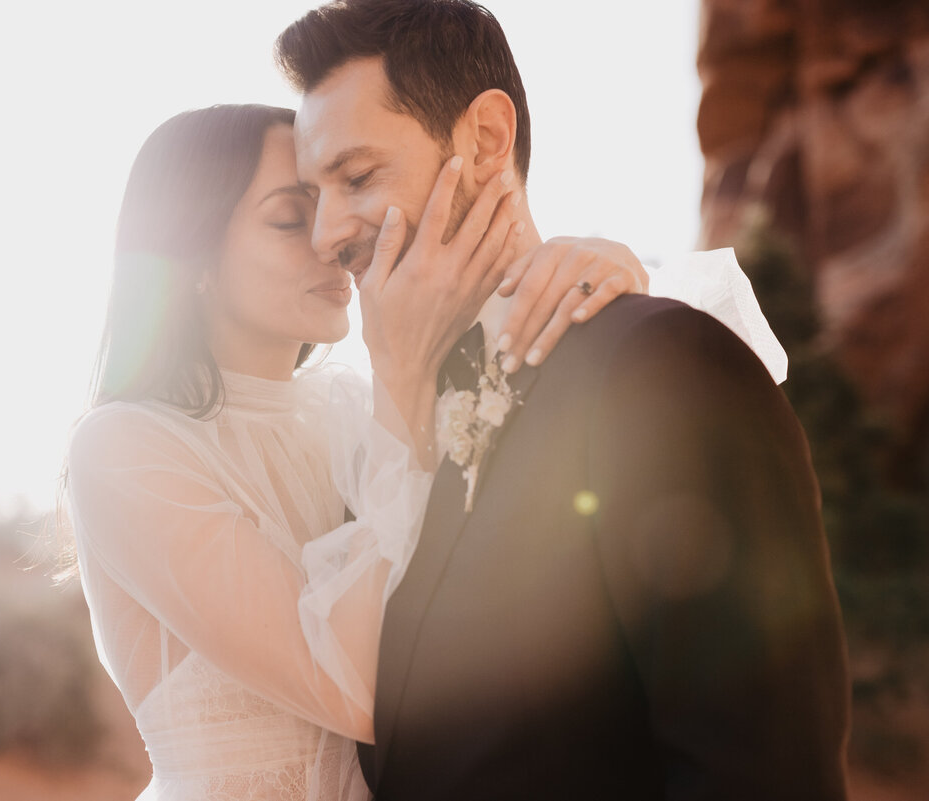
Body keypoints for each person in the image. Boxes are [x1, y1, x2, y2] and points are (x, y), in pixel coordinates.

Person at [63, 104, 776, 800]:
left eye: (339, 203)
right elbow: (360, 687)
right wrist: (401, 375)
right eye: (290, 216)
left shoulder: (349, 412)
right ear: (190, 255)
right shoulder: (124, 448)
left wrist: (595, 270)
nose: (332, 239)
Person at [275, 1, 851, 799]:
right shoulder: (385, 446)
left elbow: (763, 770)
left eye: (358, 176)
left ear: (485, 139)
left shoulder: (660, 366)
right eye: (311, 195)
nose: (327, 232)